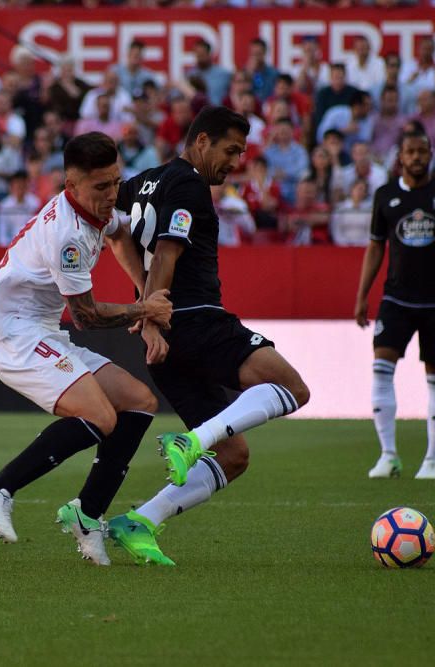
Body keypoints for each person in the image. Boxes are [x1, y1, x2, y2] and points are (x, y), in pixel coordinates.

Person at [109, 106, 311, 566]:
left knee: (234, 454)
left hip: (167, 346)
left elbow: (117, 239)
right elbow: (166, 251)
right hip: (197, 321)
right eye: (230, 149)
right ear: (201, 141)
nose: (236, 160)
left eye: (241, 152)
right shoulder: (189, 185)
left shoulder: (138, 184)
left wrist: (146, 309)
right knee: (293, 388)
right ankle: (192, 441)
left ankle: (141, 520)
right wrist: (155, 318)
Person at [0, 132, 172, 566]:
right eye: (101, 187)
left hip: (42, 330)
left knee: (140, 401)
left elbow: (119, 236)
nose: (112, 194)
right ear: (71, 185)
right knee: (99, 416)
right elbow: (87, 317)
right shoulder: (68, 236)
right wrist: (144, 307)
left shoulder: (94, 213)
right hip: (15, 335)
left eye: (116, 182)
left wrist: (143, 301)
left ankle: (87, 514)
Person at [354, 129, 435, 481]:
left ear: (430, 154)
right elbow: (375, 247)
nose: (416, 157)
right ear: (400, 156)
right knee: (381, 366)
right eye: (410, 151)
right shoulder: (385, 196)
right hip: (396, 298)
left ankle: (432, 460)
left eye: (422, 151)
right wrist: (362, 294)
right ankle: (388, 455)